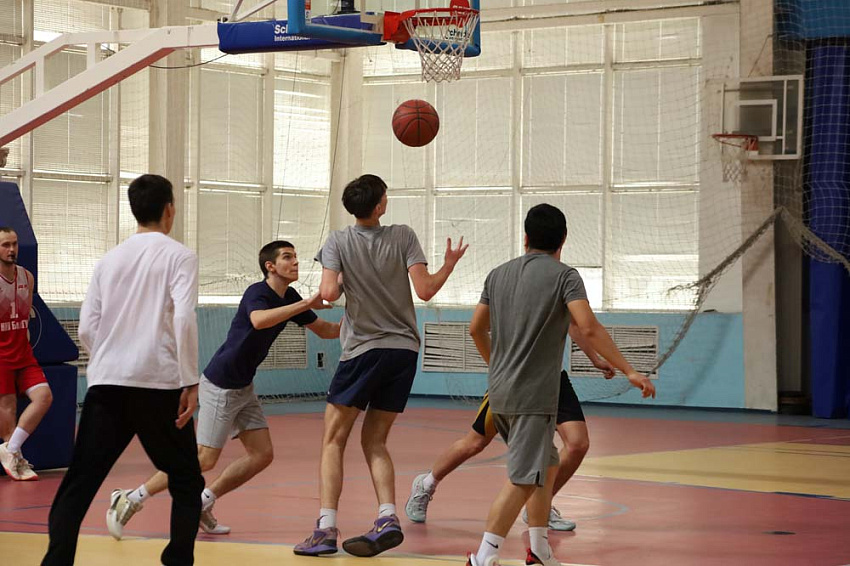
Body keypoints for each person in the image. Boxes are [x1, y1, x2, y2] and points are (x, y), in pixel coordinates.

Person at [106, 240, 340, 539]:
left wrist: (359, 324)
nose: (295, 262)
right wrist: (306, 303)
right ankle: (130, 498)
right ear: (270, 266)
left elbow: (326, 330)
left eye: (296, 256)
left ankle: (203, 502)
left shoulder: (290, 297)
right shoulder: (258, 292)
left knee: (261, 454)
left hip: (243, 386)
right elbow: (258, 321)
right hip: (221, 384)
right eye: (287, 257)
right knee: (204, 458)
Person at [464, 204, 655, 566]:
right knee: (524, 478)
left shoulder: (497, 275)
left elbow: (476, 329)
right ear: (563, 240)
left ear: (525, 237)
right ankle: (484, 556)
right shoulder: (565, 277)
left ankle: (539, 549)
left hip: (500, 391)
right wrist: (628, 370)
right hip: (533, 396)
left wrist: (499, 367)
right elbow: (588, 326)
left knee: (546, 466)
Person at [294, 174, 468, 558]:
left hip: (363, 350)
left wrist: (344, 279)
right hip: (404, 352)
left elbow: (327, 293)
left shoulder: (338, 241)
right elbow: (425, 290)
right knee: (375, 440)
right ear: (378, 207)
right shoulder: (403, 236)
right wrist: (448, 265)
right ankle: (388, 517)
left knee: (333, 440)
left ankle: (325, 528)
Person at [41, 174, 204, 566]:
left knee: (80, 482)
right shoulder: (180, 256)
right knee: (186, 479)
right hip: (158, 384)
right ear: (170, 210)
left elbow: (86, 327)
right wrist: (189, 379)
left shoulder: (108, 260)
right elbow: (183, 318)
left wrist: (109, 359)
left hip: (107, 384)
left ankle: (56, 561)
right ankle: (177, 559)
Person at [406, 338, 615, 530]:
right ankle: (426, 483)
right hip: (514, 378)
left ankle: (540, 507)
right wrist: (500, 370)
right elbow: (477, 329)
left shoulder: (562, 306)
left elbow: (581, 325)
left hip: (553, 379)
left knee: (578, 444)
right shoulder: (510, 307)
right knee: (476, 442)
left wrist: (595, 359)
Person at [0, 226, 53, 481]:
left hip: (24, 354)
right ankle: (15, 458)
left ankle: (10, 451)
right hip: (1, 357)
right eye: (5, 245)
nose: (11, 250)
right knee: (8, 408)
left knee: (44, 397)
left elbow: (24, 316)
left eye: (14, 244)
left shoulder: (27, 277)